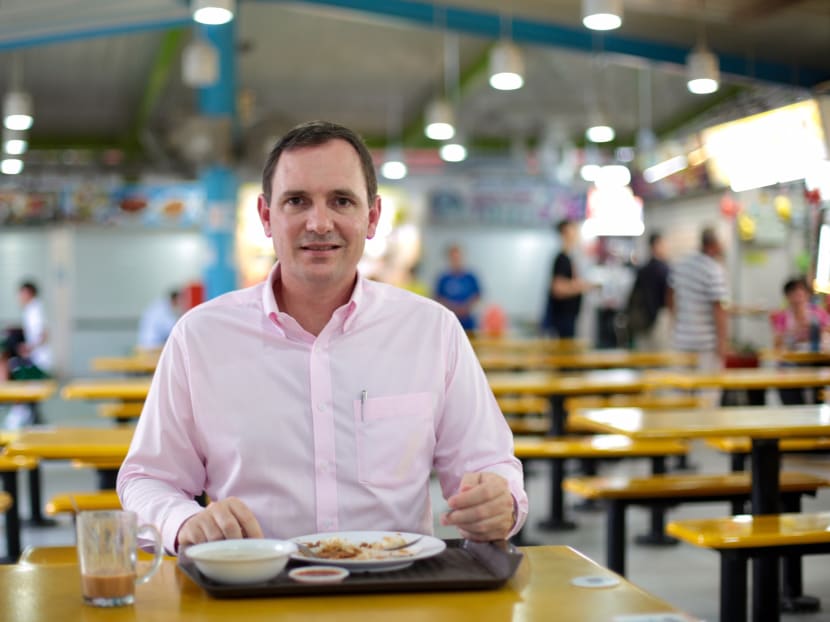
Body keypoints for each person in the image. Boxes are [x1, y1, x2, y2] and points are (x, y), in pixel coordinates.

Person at [117, 121, 527, 554]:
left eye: (341, 201)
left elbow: (488, 464)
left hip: (396, 595)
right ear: (265, 217)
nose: (319, 222)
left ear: (371, 217)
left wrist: (501, 502)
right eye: (297, 201)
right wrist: (183, 522)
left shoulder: (432, 332)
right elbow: (148, 479)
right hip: (251, 594)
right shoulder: (200, 338)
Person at [667, 227, 729, 405]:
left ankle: (681, 430)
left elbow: (670, 295)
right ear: (713, 245)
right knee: (708, 393)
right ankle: (702, 432)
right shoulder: (713, 269)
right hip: (706, 343)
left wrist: (676, 321)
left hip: (681, 339)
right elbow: (719, 308)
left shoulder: (681, 264)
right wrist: (722, 342)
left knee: (680, 392)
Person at [770, 277, 830, 404]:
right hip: (792, 360)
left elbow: (827, 330)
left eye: (801, 292)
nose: (798, 296)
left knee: (820, 375)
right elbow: (776, 343)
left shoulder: (817, 313)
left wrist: (818, 331)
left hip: (816, 358)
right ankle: (794, 407)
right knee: (785, 375)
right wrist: (792, 333)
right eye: (793, 293)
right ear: (787, 296)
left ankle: (817, 405)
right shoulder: (782, 316)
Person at [3, 282, 52, 428]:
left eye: (21, 293)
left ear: (28, 293)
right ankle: (31, 417)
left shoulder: (34, 309)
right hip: (36, 360)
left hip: (39, 363)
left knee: (15, 369)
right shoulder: (33, 309)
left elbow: (44, 334)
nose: (19, 297)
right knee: (31, 399)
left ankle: (19, 411)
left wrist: (29, 348)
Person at [542, 219, 593, 338]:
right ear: (565, 232)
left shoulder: (570, 258)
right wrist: (582, 287)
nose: (576, 233)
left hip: (568, 317)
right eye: (573, 229)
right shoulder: (561, 259)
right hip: (562, 318)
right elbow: (557, 288)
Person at [626, 232, 671, 351]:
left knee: (643, 357)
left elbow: (632, 296)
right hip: (659, 318)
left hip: (642, 320)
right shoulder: (664, 269)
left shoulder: (642, 270)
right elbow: (669, 296)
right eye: (663, 244)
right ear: (655, 245)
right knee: (660, 358)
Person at [434, 244, 482, 331]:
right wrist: (453, 308)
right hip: (449, 321)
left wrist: (466, 307)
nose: (456, 260)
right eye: (453, 258)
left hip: (467, 322)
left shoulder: (470, 277)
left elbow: (477, 295)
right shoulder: (443, 279)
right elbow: (438, 297)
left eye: (458, 257)